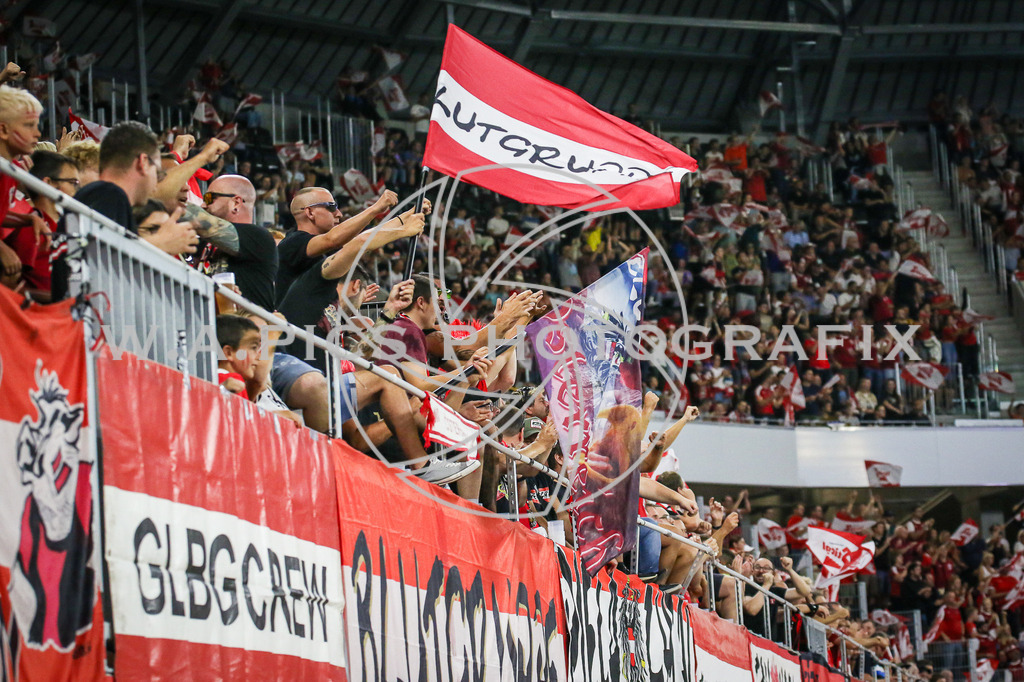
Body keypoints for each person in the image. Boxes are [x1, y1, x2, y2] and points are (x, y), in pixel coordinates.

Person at [276, 186, 397, 303]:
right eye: (331, 207)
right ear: (310, 212)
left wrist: (349, 300)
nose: (339, 213)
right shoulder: (293, 243)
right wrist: (376, 208)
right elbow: (335, 239)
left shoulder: (325, 250)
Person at [200, 174, 279, 310]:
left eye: (209, 198)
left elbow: (194, 219)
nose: (203, 205)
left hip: (247, 328)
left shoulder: (258, 237)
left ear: (236, 203)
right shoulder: (205, 241)